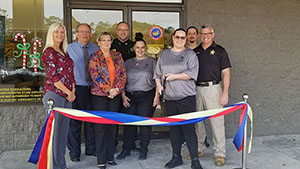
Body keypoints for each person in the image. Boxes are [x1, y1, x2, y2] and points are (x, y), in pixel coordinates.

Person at [154, 28, 203, 169]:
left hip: (187, 97)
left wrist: (173, 76)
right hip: (170, 99)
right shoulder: (163, 54)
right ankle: (176, 157)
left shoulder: (190, 54)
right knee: (174, 130)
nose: (180, 40)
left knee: (189, 129)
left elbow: (192, 73)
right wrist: (159, 87)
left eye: (183, 38)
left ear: (186, 39)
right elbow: (157, 74)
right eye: (177, 37)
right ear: (173, 38)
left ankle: (195, 160)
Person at [117, 33, 159, 160]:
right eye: (137, 48)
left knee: (144, 123)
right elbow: (122, 80)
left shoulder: (152, 61)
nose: (140, 50)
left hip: (147, 95)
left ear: (145, 48)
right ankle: (127, 148)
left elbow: (157, 79)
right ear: (134, 49)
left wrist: (157, 97)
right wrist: (123, 96)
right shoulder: (128, 62)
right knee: (129, 123)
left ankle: (143, 149)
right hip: (130, 96)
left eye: (142, 47)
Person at [194, 24, 231, 166]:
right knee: (197, 121)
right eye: (202, 34)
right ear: (199, 36)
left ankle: (220, 153)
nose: (205, 36)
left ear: (213, 34)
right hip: (196, 89)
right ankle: (199, 148)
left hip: (214, 88)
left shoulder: (220, 51)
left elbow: (226, 73)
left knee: (217, 123)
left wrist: (225, 93)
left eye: (208, 34)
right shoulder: (195, 52)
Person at [89, 32, 126, 169]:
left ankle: (110, 157)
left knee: (112, 126)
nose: (106, 42)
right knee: (100, 127)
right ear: (98, 42)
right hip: (99, 96)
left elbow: (123, 74)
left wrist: (116, 89)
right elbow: (94, 75)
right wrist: (108, 89)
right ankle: (101, 159)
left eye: (108, 40)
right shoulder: (94, 57)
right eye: (103, 40)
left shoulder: (117, 56)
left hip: (115, 95)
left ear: (111, 42)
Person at [41, 23, 76, 169]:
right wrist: (68, 92)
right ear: (51, 33)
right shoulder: (49, 52)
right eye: (57, 32)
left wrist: (72, 91)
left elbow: (70, 75)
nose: (60, 34)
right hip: (54, 96)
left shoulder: (64, 52)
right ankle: (54, 166)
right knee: (55, 134)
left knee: (63, 133)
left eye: (62, 32)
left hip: (68, 96)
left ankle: (61, 164)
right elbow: (54, 78)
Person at [67, 23, 98, 162]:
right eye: (82, 32)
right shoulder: (69, 48)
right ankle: (74, 153)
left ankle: (91, 149)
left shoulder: (96, 48)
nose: (85, 34)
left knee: (91, 121)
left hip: (92, 89)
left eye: (87, 31)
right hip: (76, 88)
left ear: (91, 34)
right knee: (74, 123)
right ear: (77, 34)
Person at [110, 21, 137, 150]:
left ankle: (130, 144)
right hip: (114, 88)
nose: (123, 32)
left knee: (130, 118)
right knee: (114, 118)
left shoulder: (134, 45)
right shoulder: (111, 44)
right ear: (117, 31)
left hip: (131, 87)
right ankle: (113, 144)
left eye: (125, 30)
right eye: (120, 29)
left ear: (129, 31)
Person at [186, 26, 209, 160]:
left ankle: (204, 142)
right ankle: (199, 146)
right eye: (189, 34)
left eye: (194, 34)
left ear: (198, 36)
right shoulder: (184, 50)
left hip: (204, 87)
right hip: (189, 89)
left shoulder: (201, 50)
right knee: (196, 119)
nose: (192, 36)